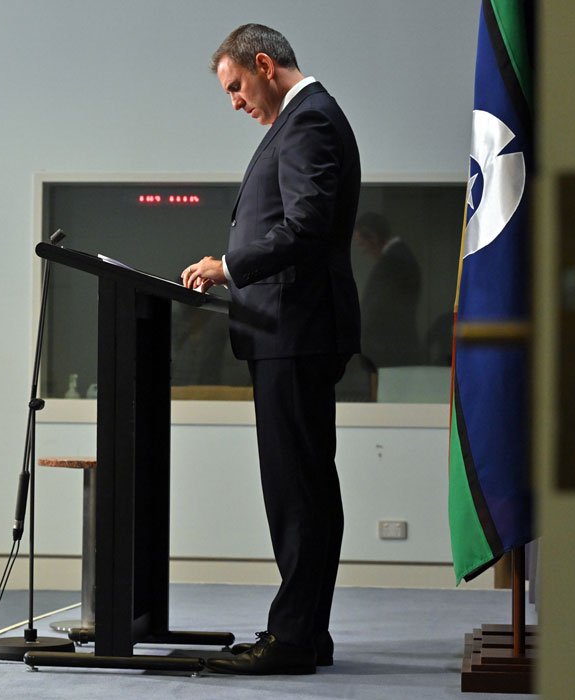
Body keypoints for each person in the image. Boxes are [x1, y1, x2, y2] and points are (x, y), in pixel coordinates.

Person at [181, 23, 360, 675]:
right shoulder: (305, 119)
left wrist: (227, 266)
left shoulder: (308, 120)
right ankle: (307, 633)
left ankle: (292, 639)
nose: (235, 103)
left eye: (235, 87)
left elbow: (306, 226)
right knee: (303, 487)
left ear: (263, 64)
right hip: (290, 331)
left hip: (296, 330)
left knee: (299, 490)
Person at [354, 212, 423, 369]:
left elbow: (379, 308)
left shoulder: (394, 262)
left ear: (372, 237)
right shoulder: (399, 258)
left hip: (391, 352)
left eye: (362, 244)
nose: (363, 251)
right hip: (394, 350)